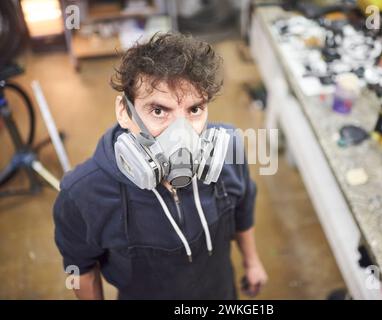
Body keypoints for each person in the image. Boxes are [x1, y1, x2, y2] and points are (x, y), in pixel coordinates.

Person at [53, 32, 267, 300]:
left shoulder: (229, 151)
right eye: (158, 111)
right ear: (124, 111)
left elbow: (244, 206)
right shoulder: (82, 195)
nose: (181, 133)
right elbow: (81, 269)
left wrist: (252, 262)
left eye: (194, 110)